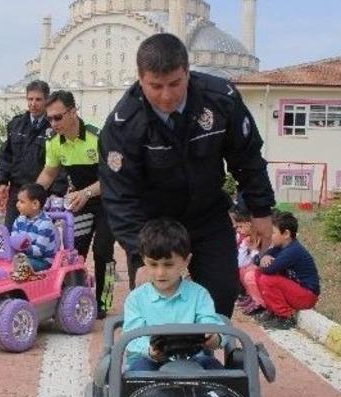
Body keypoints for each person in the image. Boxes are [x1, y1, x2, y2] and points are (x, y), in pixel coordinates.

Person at [99, 33, 276, 318]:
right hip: (153, 226)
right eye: (155, 86)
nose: (166, 96)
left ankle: (213, 358)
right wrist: (139, 254)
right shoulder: (123, 125)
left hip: (207, 216)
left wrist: (261, 209)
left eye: (175, 84)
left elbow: (247, 158)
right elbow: (120, 197)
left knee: (219, 301)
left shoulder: (220, 101)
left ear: (187, 72)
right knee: (156, 312)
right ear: (140, 78)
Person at [36, 90, 115, 319]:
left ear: (73, 112)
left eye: (58, 117)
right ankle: (74, 298)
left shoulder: (98, 137)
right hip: (81, 204)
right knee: (74, 252)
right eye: (49, 118)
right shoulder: (53, 142)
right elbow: (49, 174)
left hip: (108, 202)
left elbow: (113, 176)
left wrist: (87, 192)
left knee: (103, 251)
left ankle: (104, 300)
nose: (53, 123)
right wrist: (32, 195)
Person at [122, 218, 224, 372]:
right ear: (144, 260)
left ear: (186, 261)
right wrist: (150, 350)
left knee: (214, 368)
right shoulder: (136, 299)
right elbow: (132, 337)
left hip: (193, 359)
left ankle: (219, 396)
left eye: (168, 265)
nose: (160, 272)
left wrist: (214, 337)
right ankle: (145, 396)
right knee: (138, 371)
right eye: (153, 264)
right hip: (151, 360)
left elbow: (211, 322)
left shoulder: (199, 294)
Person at [0, 80, 69, 230]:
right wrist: (1, 181)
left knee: (40, 238)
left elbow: (61, 164)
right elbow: (5, 155)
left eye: (38, 99)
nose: (33, 103)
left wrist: (56, 192)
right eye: (30, 99)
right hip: (18, 193)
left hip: (43, 194)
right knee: (12, 234)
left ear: (47, 100)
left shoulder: (55, 127)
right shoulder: (16, 125)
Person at [254, 211, 320, 328]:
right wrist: (264, 257)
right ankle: (273, 311)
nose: (270, 236)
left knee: (267, 279)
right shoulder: (280, 247)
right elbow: (261, 258)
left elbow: (270, 269)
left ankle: (285, 317)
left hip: (307, 296)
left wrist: (263, 261)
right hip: (295, 291)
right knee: (258, 273)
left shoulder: (293, 250)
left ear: (286, 234)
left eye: (273, 232)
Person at [11, 183, 57, 272]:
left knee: (19, 264)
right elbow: (14, 239)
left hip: (42, 261)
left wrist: (23, 246)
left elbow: (39, 251)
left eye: (22, 202)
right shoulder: (19, 220)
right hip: (24, 257)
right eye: (18, 201)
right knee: (6, 262)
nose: (17, 205)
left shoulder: (45, 223)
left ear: (35, 204)